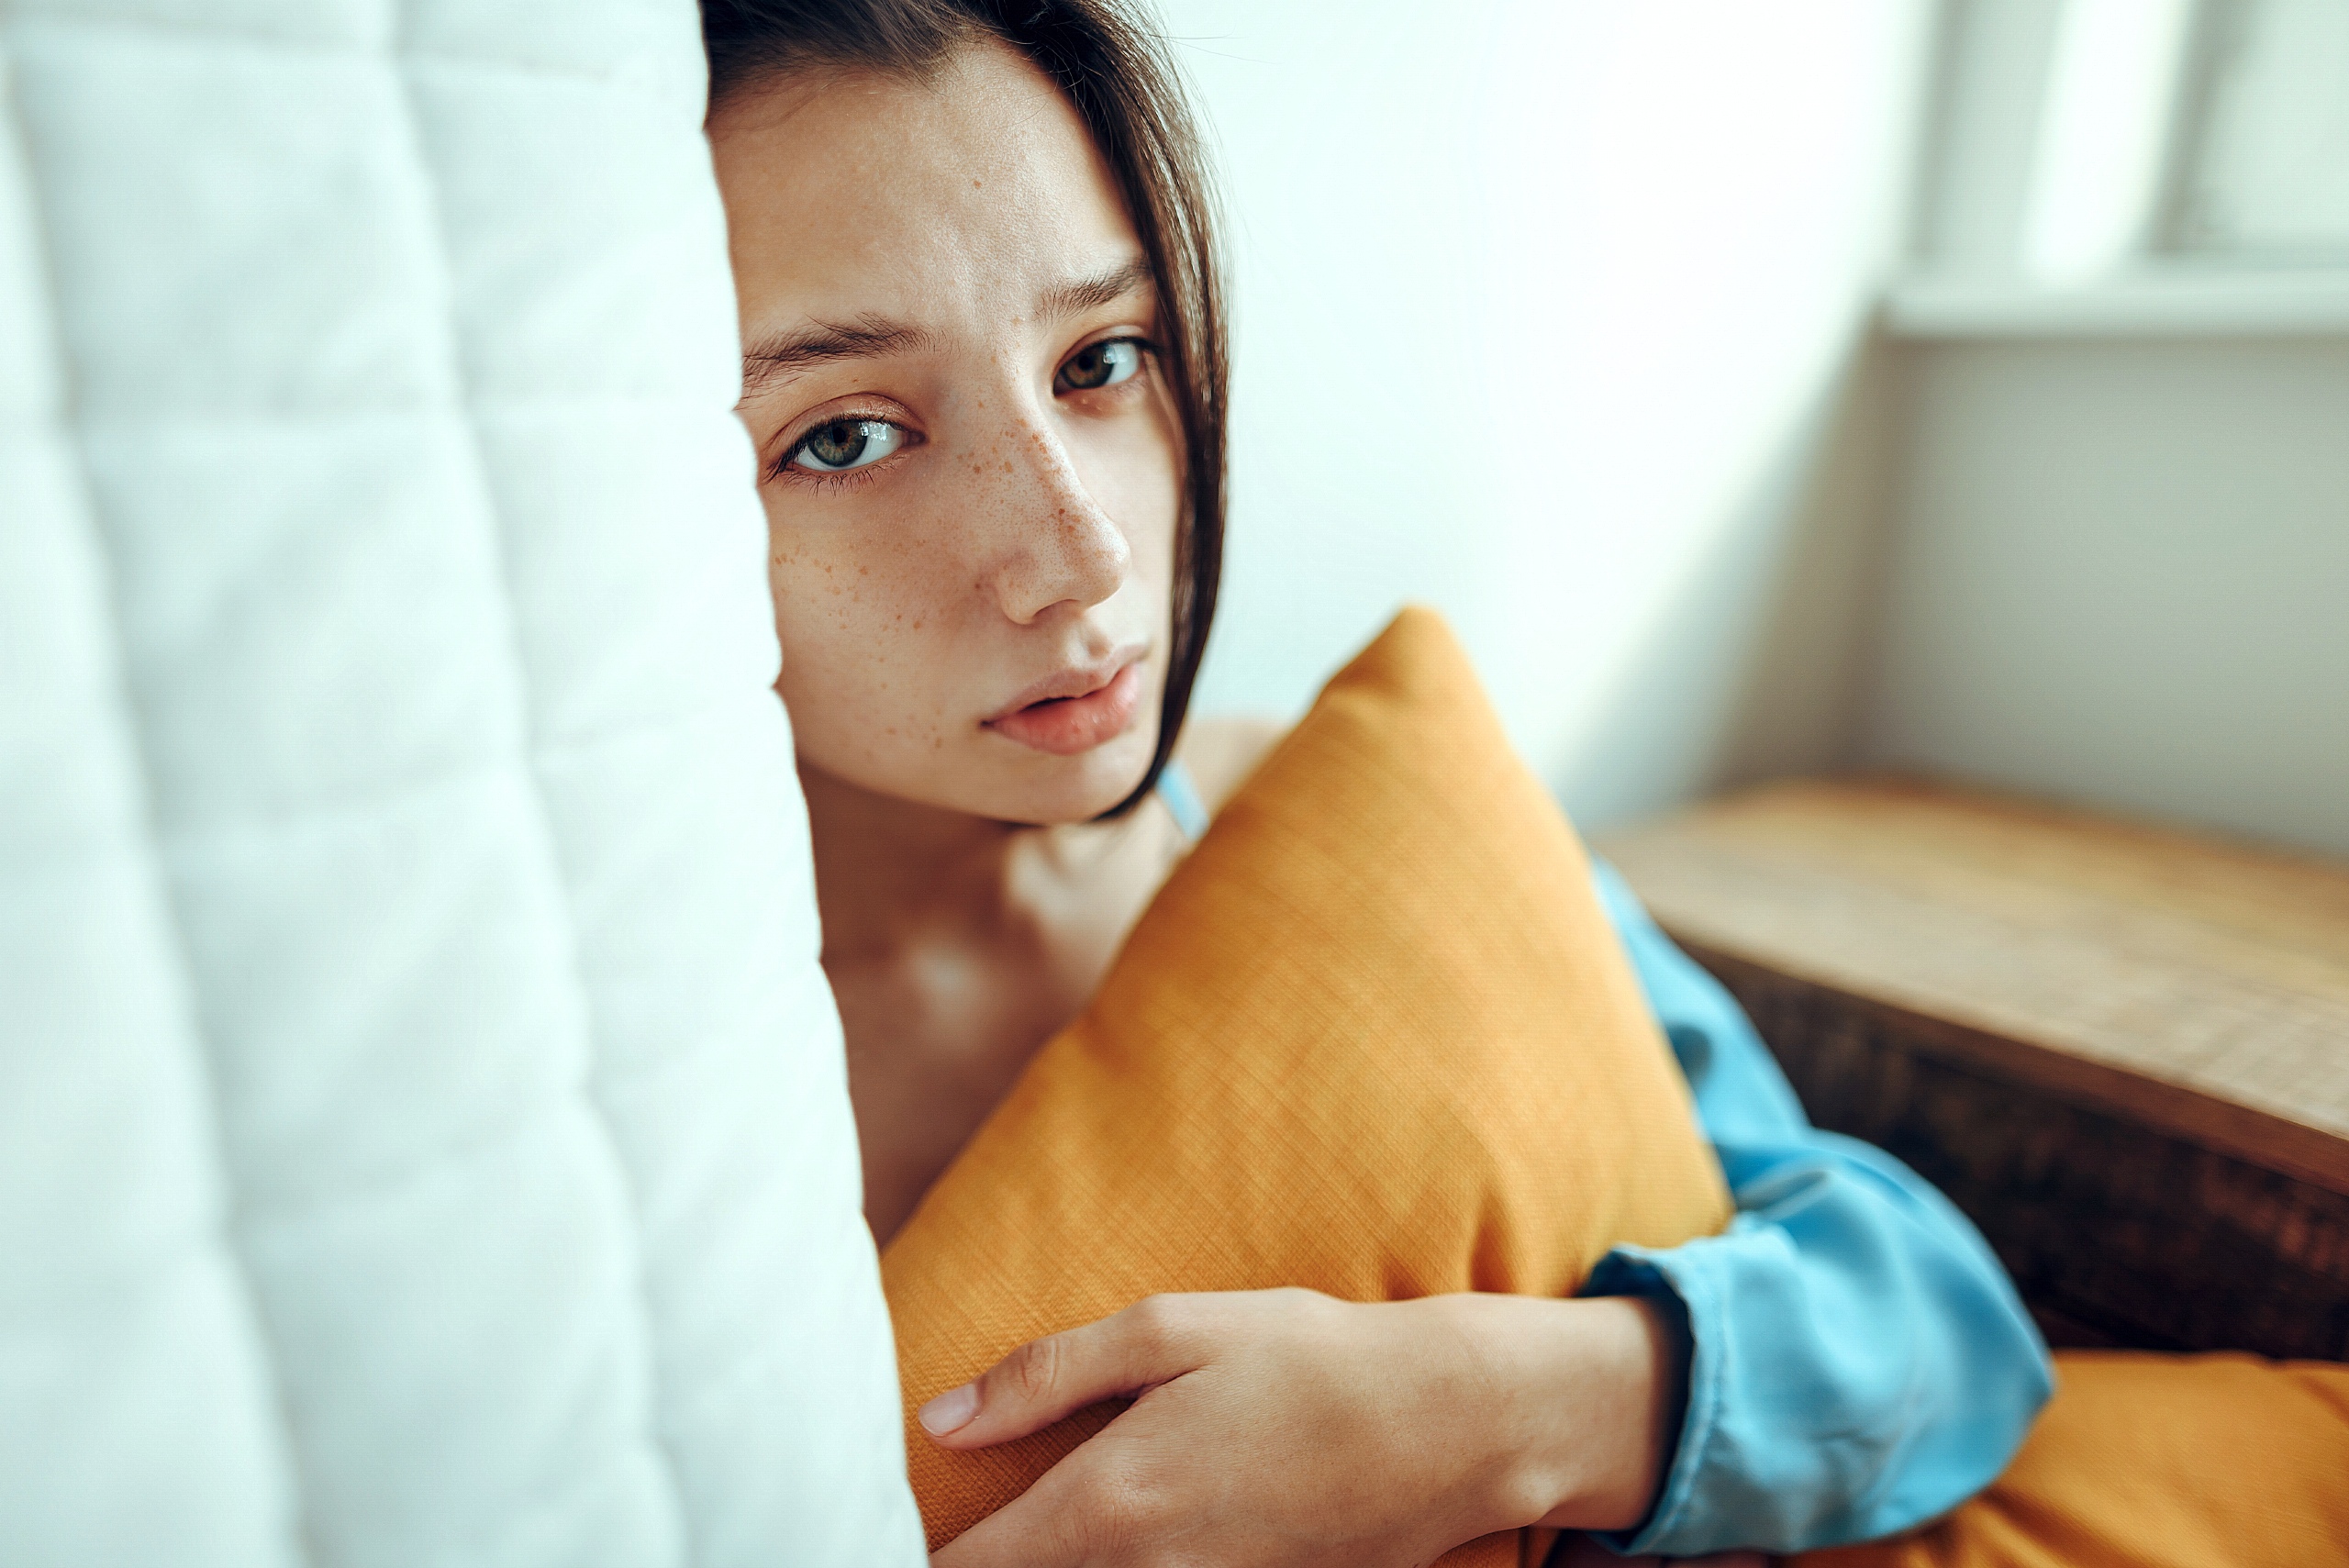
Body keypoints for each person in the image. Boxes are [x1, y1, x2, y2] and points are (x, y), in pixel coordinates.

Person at [701, 2, 2054, 1562]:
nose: (1083, 553)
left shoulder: (1333, 817)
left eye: (1101, 358)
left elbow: (1940, 1324)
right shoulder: (639, 1085)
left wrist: (1494, 1414)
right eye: (852, 436)